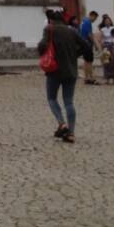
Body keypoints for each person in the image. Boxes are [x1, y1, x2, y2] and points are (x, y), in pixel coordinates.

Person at [37, 9, 88, 144]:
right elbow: (86, 45)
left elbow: (42, 46)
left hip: (54, 70)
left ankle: (62, 123)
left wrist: (43, 50)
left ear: (52, 20)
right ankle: (71, 133)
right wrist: (75, 54)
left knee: (52, 98)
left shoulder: (50, 30)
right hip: (71, 70)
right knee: (69, 101)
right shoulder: (72, 31)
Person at [79, 11, 98, 85]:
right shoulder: (88, 22)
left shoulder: (83, 22)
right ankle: (91, 78)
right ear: (92, 16)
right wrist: (95, 44)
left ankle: (86, 78)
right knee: (89, 61)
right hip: (87, 44)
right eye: (95, 18)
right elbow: (89, 34)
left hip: (83, 43)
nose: (94, 20)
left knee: (86, 61)